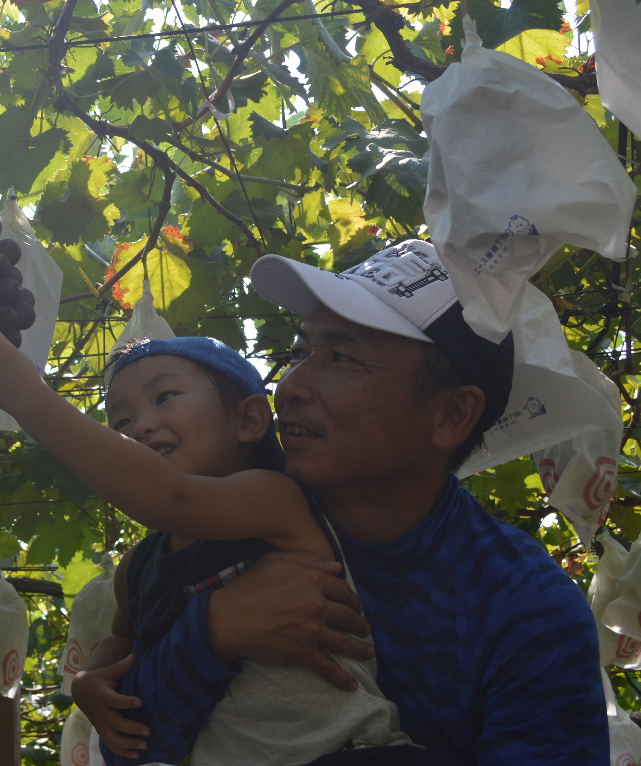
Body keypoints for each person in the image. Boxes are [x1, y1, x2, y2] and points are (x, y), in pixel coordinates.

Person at [66, 241, 607, 764]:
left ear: (450, 416)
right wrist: (211, 632)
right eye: (301, 351)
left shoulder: (527, 608)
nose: (293, 384)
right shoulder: (224, 519)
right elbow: (133, 745)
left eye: (343, 357)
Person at [0, 322, 460, 765]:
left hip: (355, 754)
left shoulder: (274, 500)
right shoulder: (138, 567)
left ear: (248, 420)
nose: (141, 426)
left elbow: (166, 496)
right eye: (121, 423)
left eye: (164, 397)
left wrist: (28, 397)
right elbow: (123, 640)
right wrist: (89, 679)